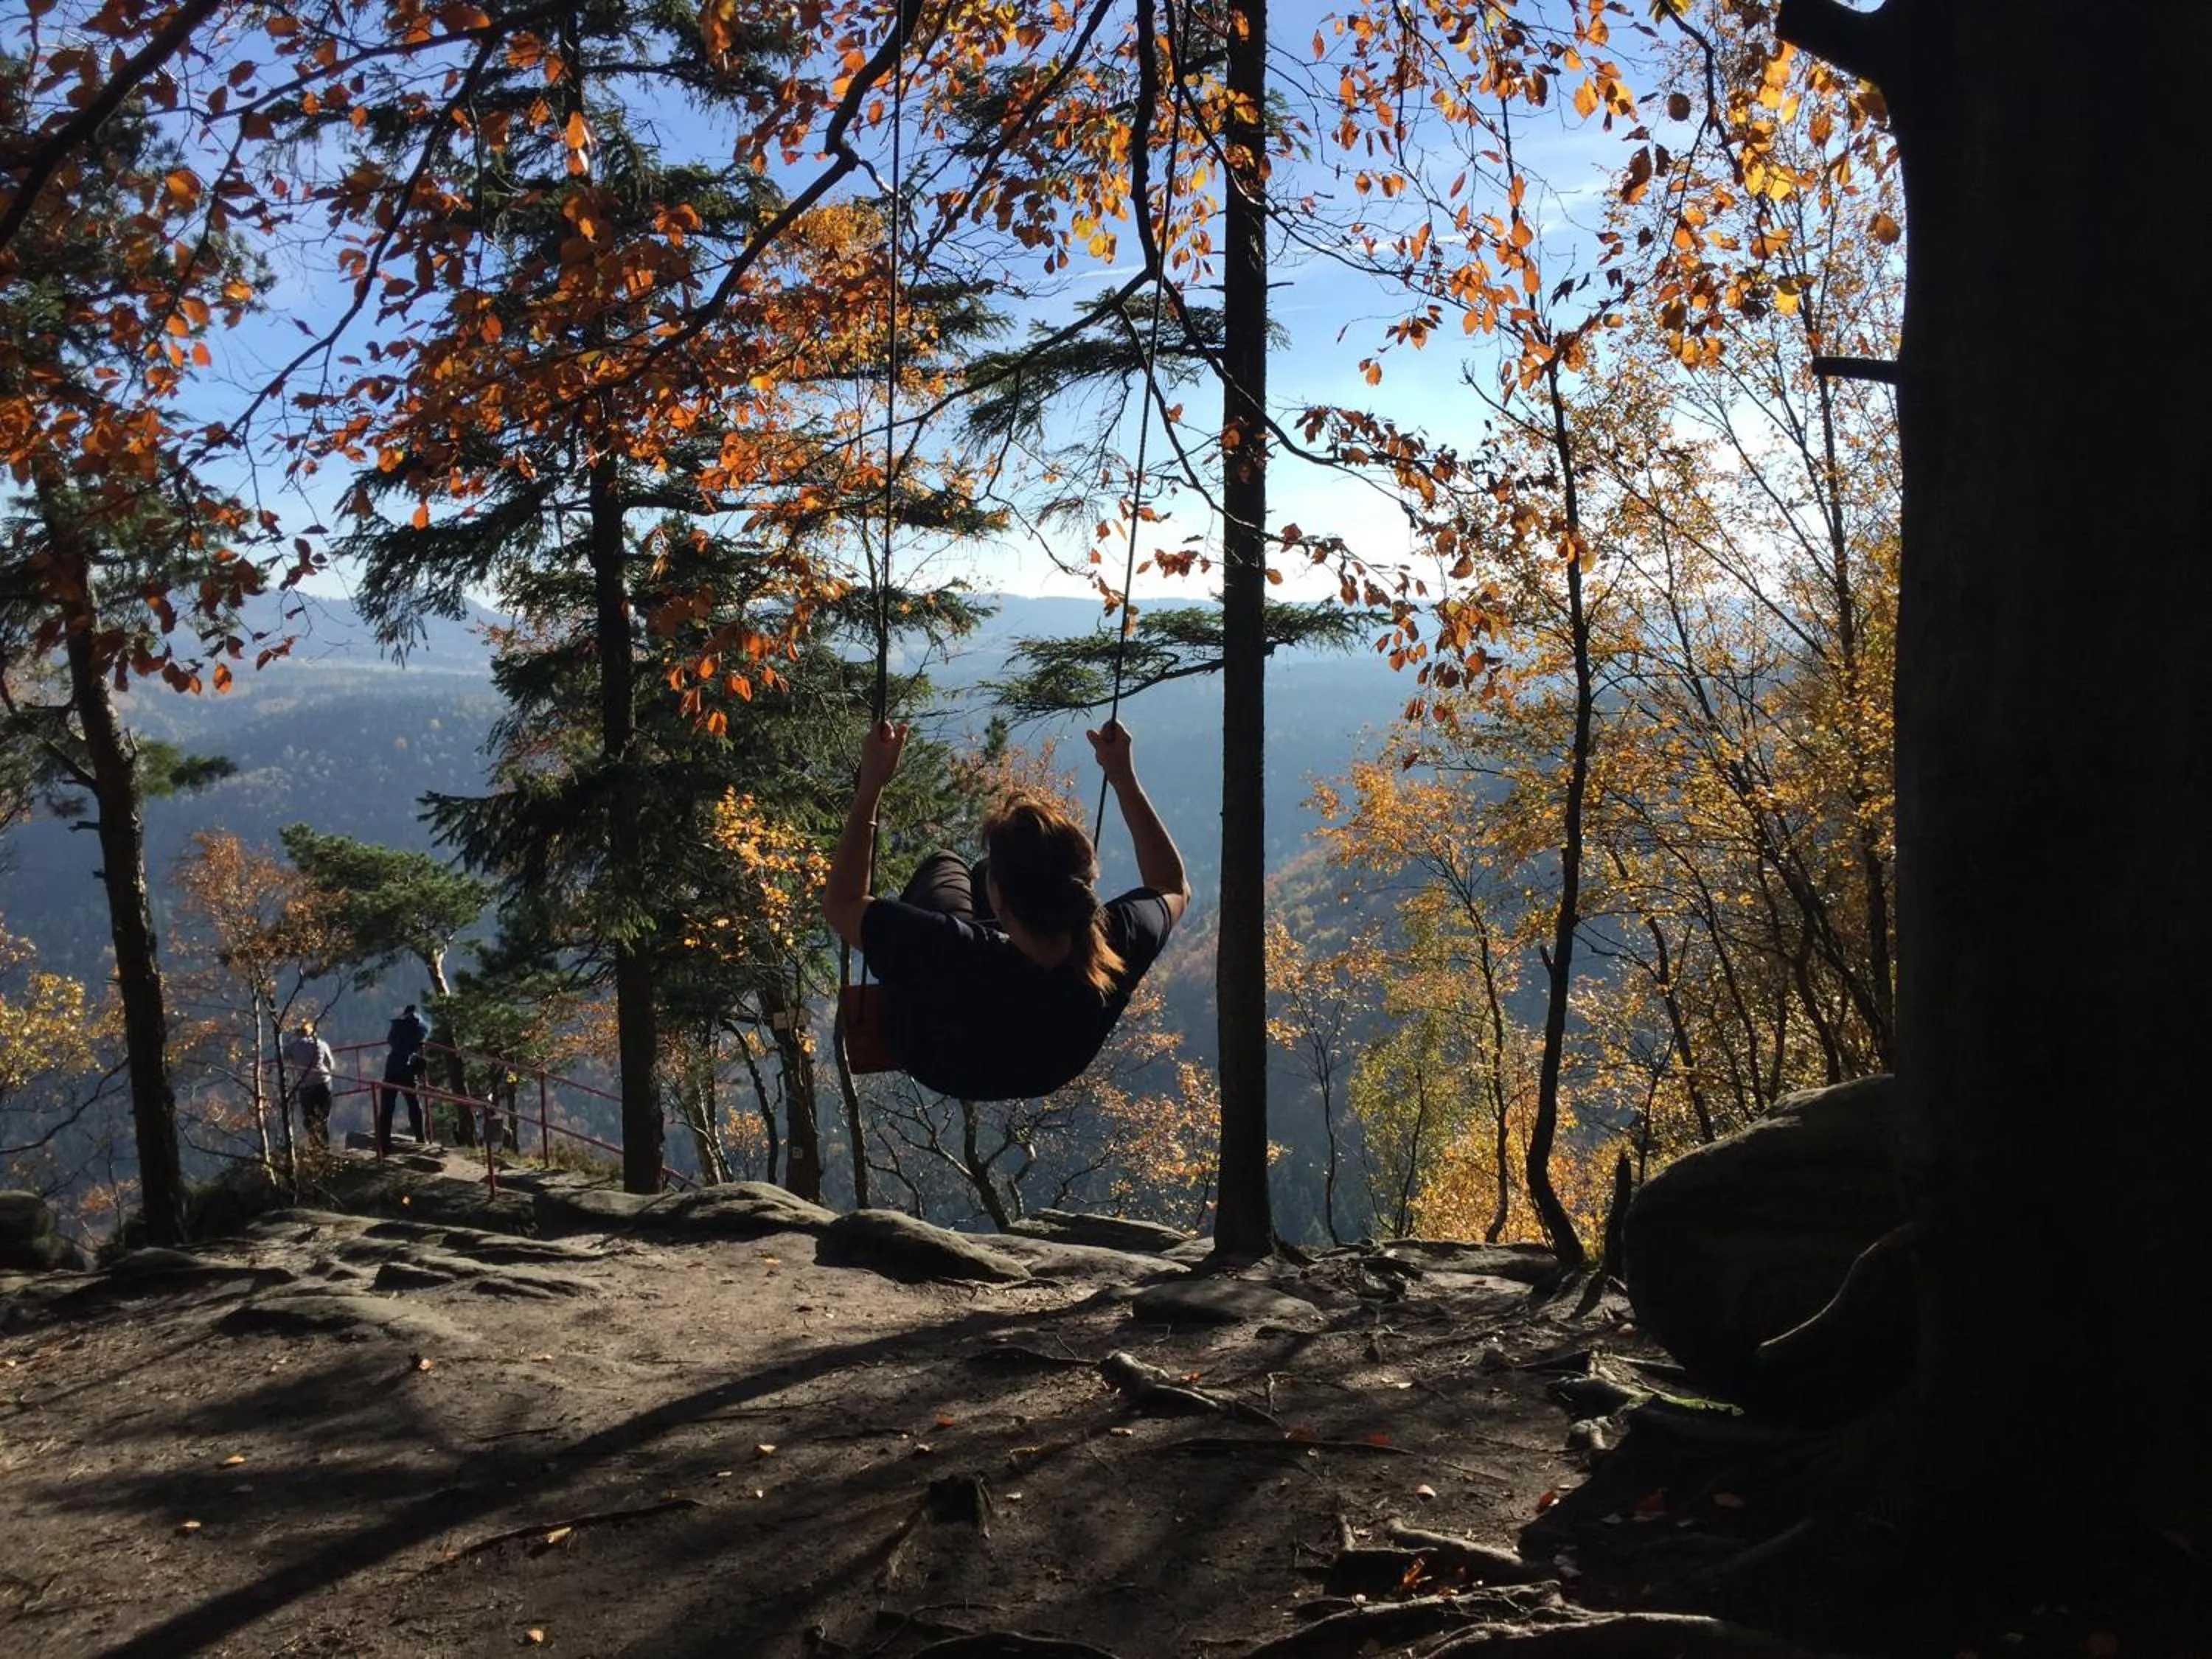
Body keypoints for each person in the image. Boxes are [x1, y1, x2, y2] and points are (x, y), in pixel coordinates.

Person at [822, 717, 1190, 1101]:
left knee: (945, 865)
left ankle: (969, 871)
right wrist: (1123, 778)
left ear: (997, 900)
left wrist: (870, 787)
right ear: (1083, 882)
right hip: (1046, 1070)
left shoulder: (947, 949)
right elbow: (1170, 885)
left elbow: (841, 903)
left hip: (933, 1059)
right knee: (978, 872)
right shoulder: (1114, 946)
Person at [376, 1003, 434, 1155]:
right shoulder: (422, 1027)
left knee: (387, 1106)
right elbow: (422, 1041)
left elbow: (391, 1041)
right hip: (409, 1068)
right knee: (413, 1102)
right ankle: (421, 1137)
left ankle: (384, 1142)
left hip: (393, 1066)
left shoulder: (397, 1025)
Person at [282, 1020, 336, 1150]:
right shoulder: (321, 1044)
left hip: (305, 1085)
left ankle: (315, 1145)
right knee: (323, 1118)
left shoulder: (293, 1046)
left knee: (308, 1118)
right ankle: (326, 1146)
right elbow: (331, 1066)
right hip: (324, 1083)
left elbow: (281, 1057)